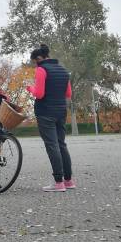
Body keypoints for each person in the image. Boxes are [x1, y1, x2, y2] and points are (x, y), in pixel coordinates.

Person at [26, 44, 75, 192]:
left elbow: (39, 94)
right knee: (61, 144)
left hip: (45, 112)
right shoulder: (63, 70)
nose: (35, 64)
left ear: (39, 58)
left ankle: (58, 182)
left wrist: (31, 89)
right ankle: (68, 181)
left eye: (35, 61)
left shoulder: (42, 69)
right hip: (61, 111)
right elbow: (68, 94)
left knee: (52, 146)